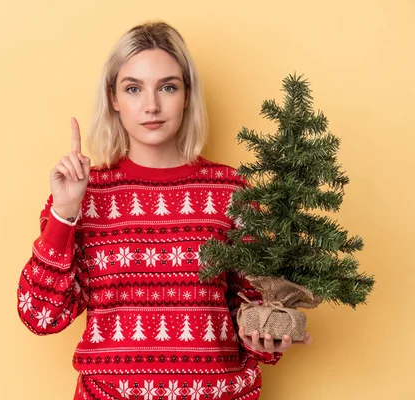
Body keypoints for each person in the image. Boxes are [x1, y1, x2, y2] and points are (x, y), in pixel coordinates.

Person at [17, 20, 312, 400]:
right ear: (113, 98)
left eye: (168, 87)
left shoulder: (230, 191)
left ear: (187, 94)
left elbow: (253, 307)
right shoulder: (86, 195)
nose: (151, 105)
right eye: (134, 88)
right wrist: (65, 211)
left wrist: (266, 338)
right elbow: (41, 316)